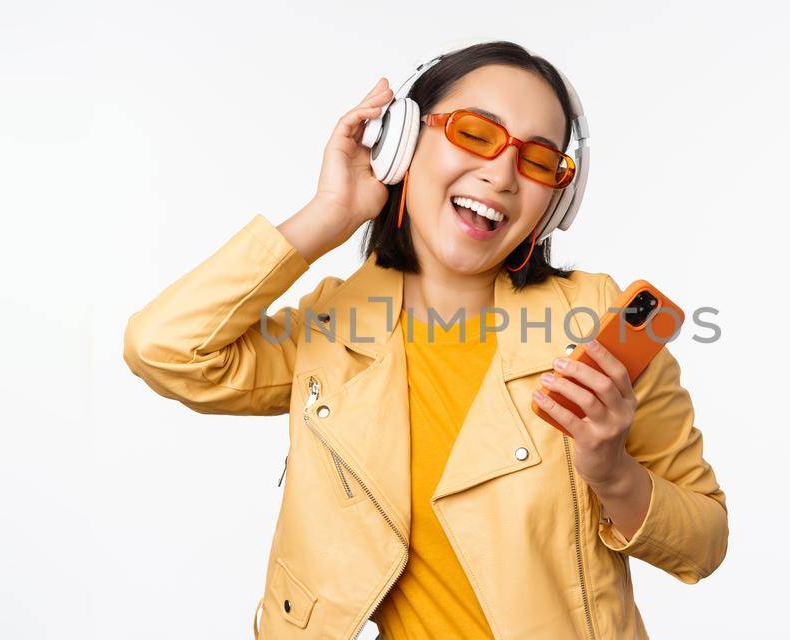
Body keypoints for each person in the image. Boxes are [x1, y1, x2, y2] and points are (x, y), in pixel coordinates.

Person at [123, 40, 727, 639]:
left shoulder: (598, 322)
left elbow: (704, 541)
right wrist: (330, 212)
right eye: (474, 133)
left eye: (540, 161)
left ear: (557, 199)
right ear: (402, 143)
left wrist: (613, 471)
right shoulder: (330, 328)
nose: (501, 173)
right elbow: (164, 348)